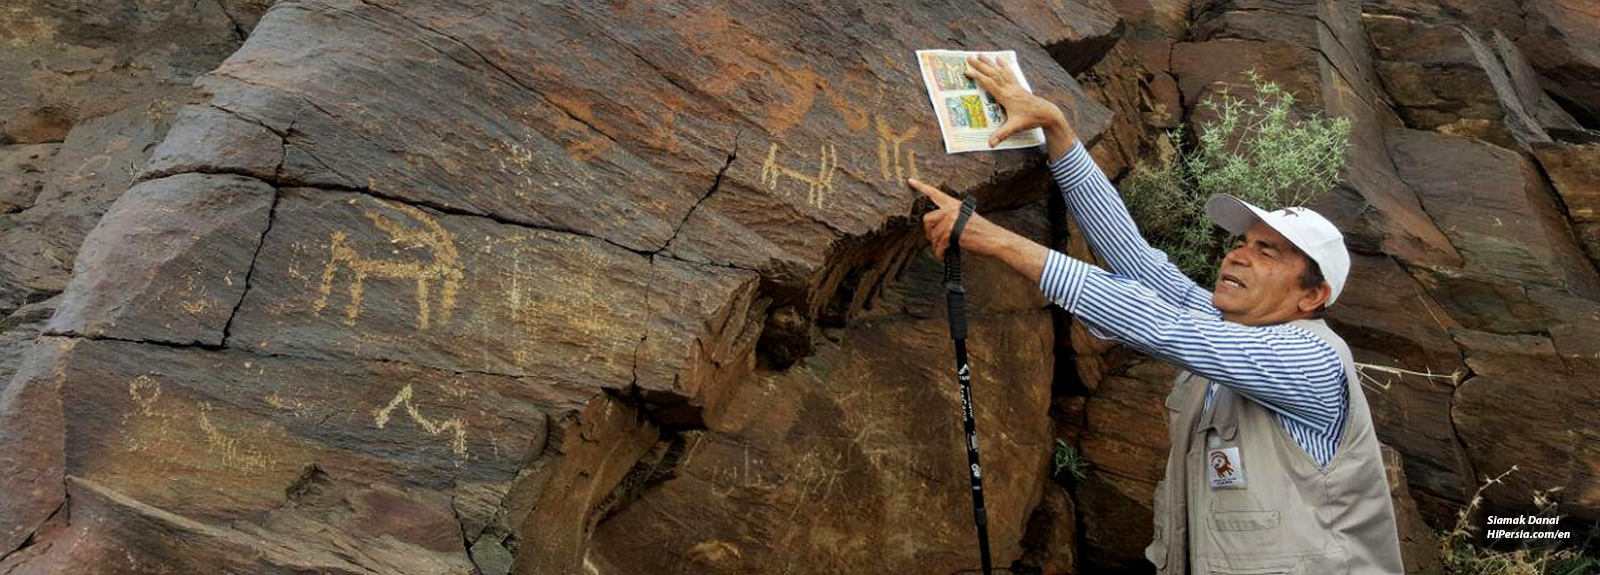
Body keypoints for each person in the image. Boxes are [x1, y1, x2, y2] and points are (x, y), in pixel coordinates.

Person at [909, 55, 1403, 574]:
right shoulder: (1226, 326)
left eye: (1268, 253)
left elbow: (1165, 327)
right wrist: (1057, 128)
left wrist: (994, 239)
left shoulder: (1311, 360)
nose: (1237, 255)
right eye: (1243, 243)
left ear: (1311, 297)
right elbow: (1136, 261)